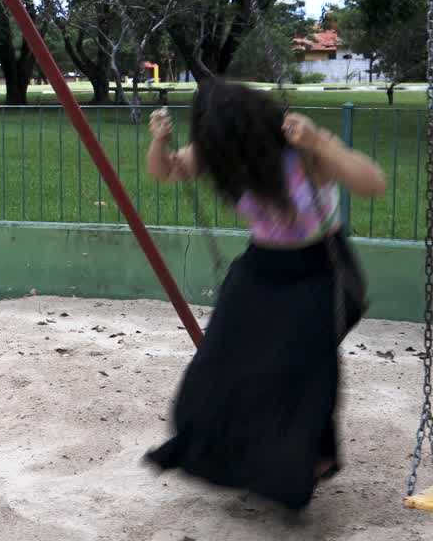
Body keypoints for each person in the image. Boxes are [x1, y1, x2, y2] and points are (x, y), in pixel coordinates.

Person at [142, 78, 387, 511]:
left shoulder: (301, 148)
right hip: (261, 269)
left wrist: (321, 143)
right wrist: (160, 143)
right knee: (221, 360)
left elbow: (373, 182)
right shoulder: (220, 152)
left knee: (296, 365)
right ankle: (233, 456)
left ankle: (309, 458)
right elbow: (166, 172)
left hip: (322, 269)